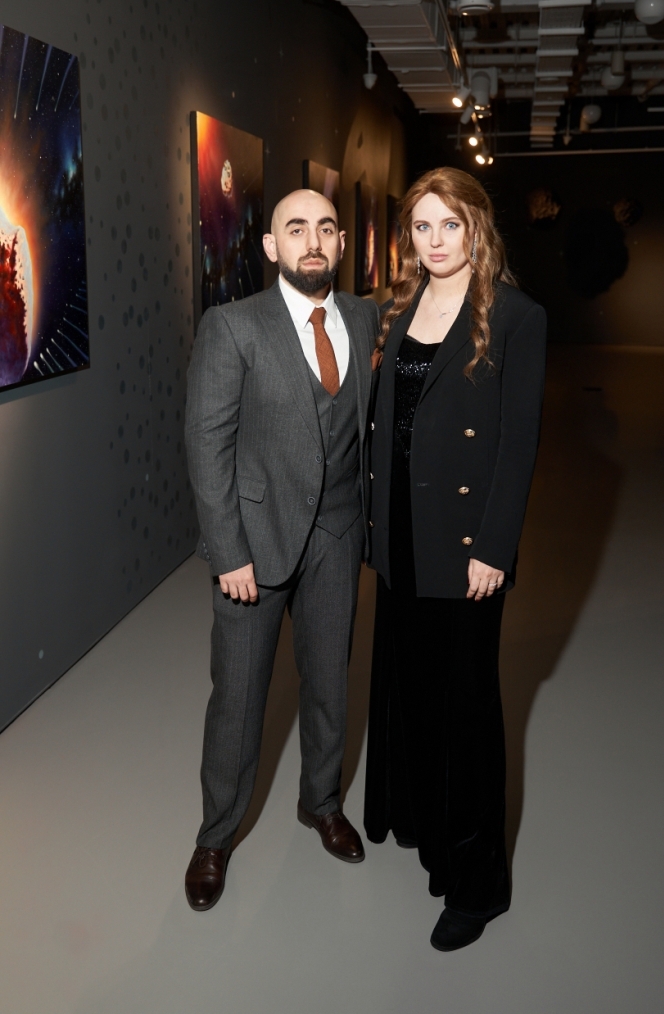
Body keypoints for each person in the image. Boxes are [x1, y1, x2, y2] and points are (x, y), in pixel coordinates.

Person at [364, 167, 546, 951]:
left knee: (466, 713)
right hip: (401, 536)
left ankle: (477, 886)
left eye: (449, 224)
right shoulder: (400, 305)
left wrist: (493, 548)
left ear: (476, 227)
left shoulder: (515, 316)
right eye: (421, 226)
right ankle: (426, 829)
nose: (435, 241)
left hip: (465, 547)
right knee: (413, 692)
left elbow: (517, 443)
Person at [184, 189, 378, 912]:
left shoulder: (362, 317)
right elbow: (207, 445)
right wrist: (227, 552)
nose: (313, 240)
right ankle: (215, 836)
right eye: (296, 229)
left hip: (337, 534)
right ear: (271, 247)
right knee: (238, 698)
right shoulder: (233, 326)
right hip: (254, 546)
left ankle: (320, 803)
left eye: (325, 227)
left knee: (329, 682)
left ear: (340, 242)